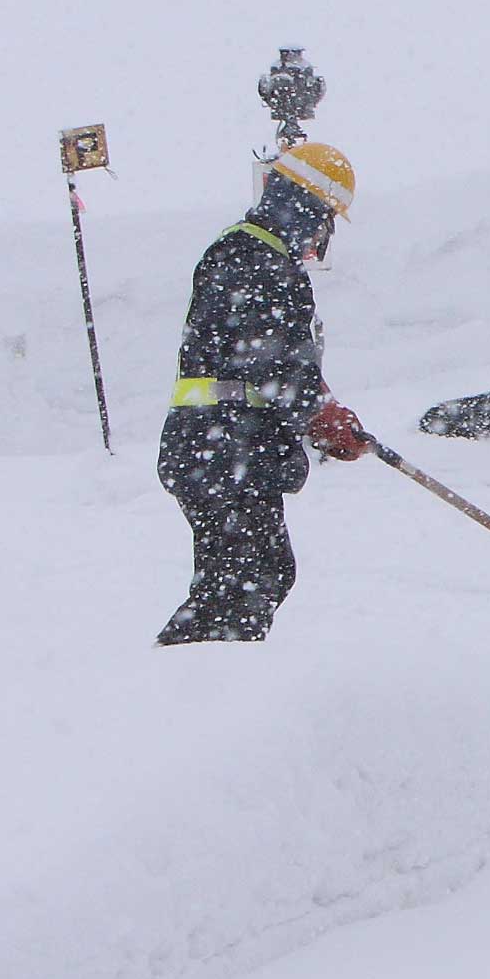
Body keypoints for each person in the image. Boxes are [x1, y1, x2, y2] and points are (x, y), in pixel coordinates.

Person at [156, 143, 367, 645]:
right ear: (304, 208)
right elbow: (273, 360)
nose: (323, 235)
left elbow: (283, 361)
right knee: (241, 587)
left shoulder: (258, 257)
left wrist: (323, 407)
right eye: (325, 220)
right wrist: (320, 414)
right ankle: (195, 683)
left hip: (230, 449)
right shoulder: (252, 258)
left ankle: (203, 672)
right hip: (221, 449)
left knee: (262, 573)